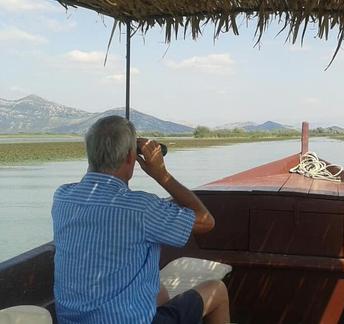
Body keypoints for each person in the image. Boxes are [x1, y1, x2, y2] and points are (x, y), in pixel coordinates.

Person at [52, 115, 230, 324]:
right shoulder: (142, 208)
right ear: (131, 157)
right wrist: (161, 174)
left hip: (72, 321)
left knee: (160, 293)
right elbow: (206, 221)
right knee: (217, 291)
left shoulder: (62, 196)